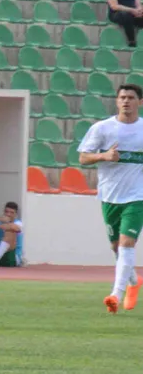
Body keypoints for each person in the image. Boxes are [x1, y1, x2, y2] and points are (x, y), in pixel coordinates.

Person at [77, 83, 143, 311]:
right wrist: (104, 155)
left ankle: (115, 294)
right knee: (117, 248)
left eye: (131, 98)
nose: (126, 101)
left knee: (127, 244)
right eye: (122, 97)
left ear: (140, 102)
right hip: (110, 196)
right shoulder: (102, 129)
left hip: (137, 197)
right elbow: (83, 158)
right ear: (117, 101)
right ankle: (134, 282)